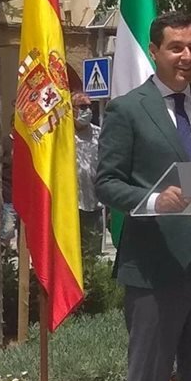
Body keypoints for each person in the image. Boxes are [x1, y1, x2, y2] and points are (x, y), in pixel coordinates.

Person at [95, 11, 191, 381]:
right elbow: (107, 183)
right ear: (154, 50)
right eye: (176, 48)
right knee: (148, 377)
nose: (187, 56)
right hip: (153, 266)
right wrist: (153, 199)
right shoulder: (128, 109)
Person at [72, 92, 103, 258]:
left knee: (93, 253)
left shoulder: (99, 134)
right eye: (83, 106)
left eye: (91, 106)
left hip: (94, 203)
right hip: (71, 205)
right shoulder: (64, 135)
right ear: (72, 109)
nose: (88, 110)